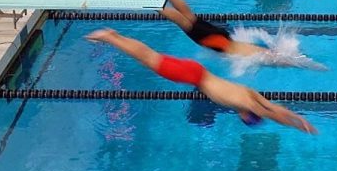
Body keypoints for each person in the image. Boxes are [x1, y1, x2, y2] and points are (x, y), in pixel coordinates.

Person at [85, 28, 317, 134]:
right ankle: (111, 37)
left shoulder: (250, 94)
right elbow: (274, 114)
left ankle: (114, 37)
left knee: (152, 57)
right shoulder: (247, 106)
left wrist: (299, 118)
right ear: (246, 116)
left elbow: (275, 108)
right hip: (194, 76)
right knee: (150, 58)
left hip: (199, 72)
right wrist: (299, 126)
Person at [142, 0, 326, 74]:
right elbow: (287, 61)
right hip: (218, 42)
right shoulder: (266, 57)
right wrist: (312, 66)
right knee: (184, 21)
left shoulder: (264, 52)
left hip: (222, 39)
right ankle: (153, 2)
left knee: (188, 17)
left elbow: (286, 59)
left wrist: (309, 64)